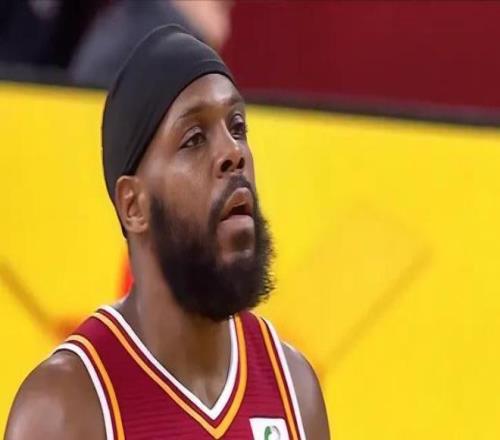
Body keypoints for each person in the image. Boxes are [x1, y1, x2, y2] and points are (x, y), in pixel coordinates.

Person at [5, 25, 329, 439]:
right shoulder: (66, 409)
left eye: (237, 127)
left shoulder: (294, 389)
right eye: (194, 139)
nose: (233, 153)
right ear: (133, 206)